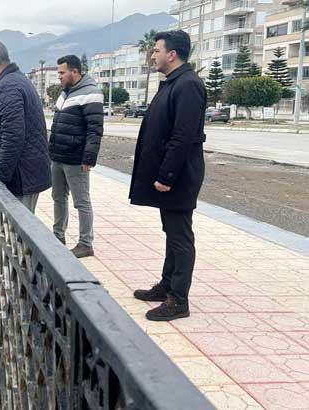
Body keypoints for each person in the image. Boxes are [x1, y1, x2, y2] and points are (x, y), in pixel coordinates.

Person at [129, 30, 206, 322]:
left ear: (171, 54)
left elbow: (183, 136)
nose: (153, 55)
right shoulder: (173, 83)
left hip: (180, 176)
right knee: (172, 234)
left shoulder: (188, 85)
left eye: (156, 50)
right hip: (171, 175)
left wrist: (168, 175)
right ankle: (167, 285)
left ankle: (179, 300)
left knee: (180, 237)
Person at [0, 38, 51, 213]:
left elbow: (13, 136)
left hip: (20, 178)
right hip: (25, 174)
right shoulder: (15, 80)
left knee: (17, 235)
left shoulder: (7, 86)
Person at [49, 54, 104, 258]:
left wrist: (89, 158)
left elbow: (95, 129)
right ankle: (58, 235)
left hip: (76, 159)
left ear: (75, 71)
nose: (59, 76)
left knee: (81, 201)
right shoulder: (64, 93)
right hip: (58, 156)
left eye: (62, 72)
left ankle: (85, 243)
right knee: (58, 197)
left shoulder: (91, 93)